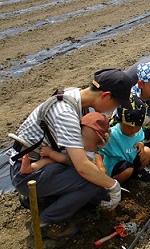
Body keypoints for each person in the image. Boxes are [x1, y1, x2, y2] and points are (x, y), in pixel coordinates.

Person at [9, 69, 133, 239]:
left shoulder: (75, 96)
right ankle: (45, 223)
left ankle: (45, 198)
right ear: (105, 95)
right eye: (116, 104)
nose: (114, 109)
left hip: (42, 162)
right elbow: (82, 167)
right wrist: (113, 186)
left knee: (94, 185)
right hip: (27, 171)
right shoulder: (65, 113)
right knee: (89, 182)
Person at [20, 112, 110, 174]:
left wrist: (51, 153)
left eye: (88, 141)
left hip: (69, 162)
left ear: (97, 145)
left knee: (48, 160)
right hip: (64, 155)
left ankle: (31, 168)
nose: (82, 142)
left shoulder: (88, 154)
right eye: (81, 136)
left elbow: (63, 159)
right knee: (46, 161)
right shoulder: (76, 141)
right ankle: (29, 168)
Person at [96, 96, 150, 183]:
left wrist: (141, 144)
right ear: (119, 121)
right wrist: (101, 168)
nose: (133, 130)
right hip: (116, 165)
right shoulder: (112, 135)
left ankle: (137, 172)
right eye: (129, 127)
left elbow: (140, 139)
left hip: (131, 158)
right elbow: (98, 152)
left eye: (137, 127)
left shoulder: (139, 131)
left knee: (148, 152)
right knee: (128, 170)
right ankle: (114, 183)